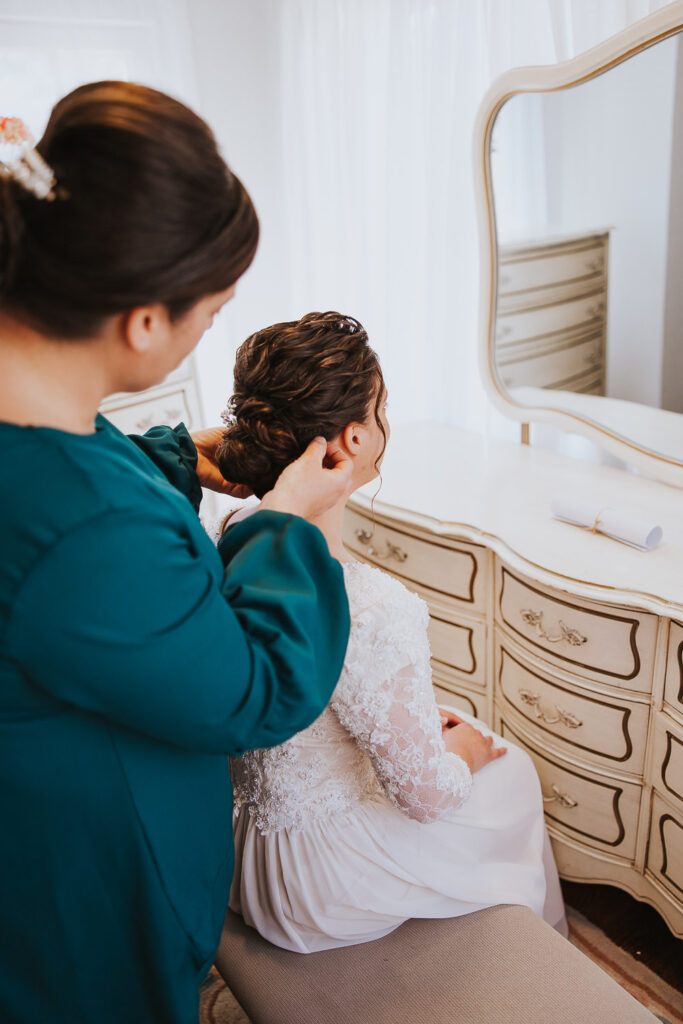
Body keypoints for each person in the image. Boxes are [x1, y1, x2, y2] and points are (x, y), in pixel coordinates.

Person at [0, 85, 354, 1024]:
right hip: (77, 910)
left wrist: (171, 457)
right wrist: (290, 521)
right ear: (145, 321)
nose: (210, 329)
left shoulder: (36, 420)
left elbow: (81, 475)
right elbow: (254, 692)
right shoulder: (84, 525)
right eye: (212, 310)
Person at [218, 311, 568, 953]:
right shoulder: (373, 607)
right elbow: (428, 798)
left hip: (247, 854)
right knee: (509, 768)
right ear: (351, 441)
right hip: (322, 885)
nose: (386, 425)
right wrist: (467, 753)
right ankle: (531, 962)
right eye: (381, 412)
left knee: (445, 722)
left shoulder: (234, 535)